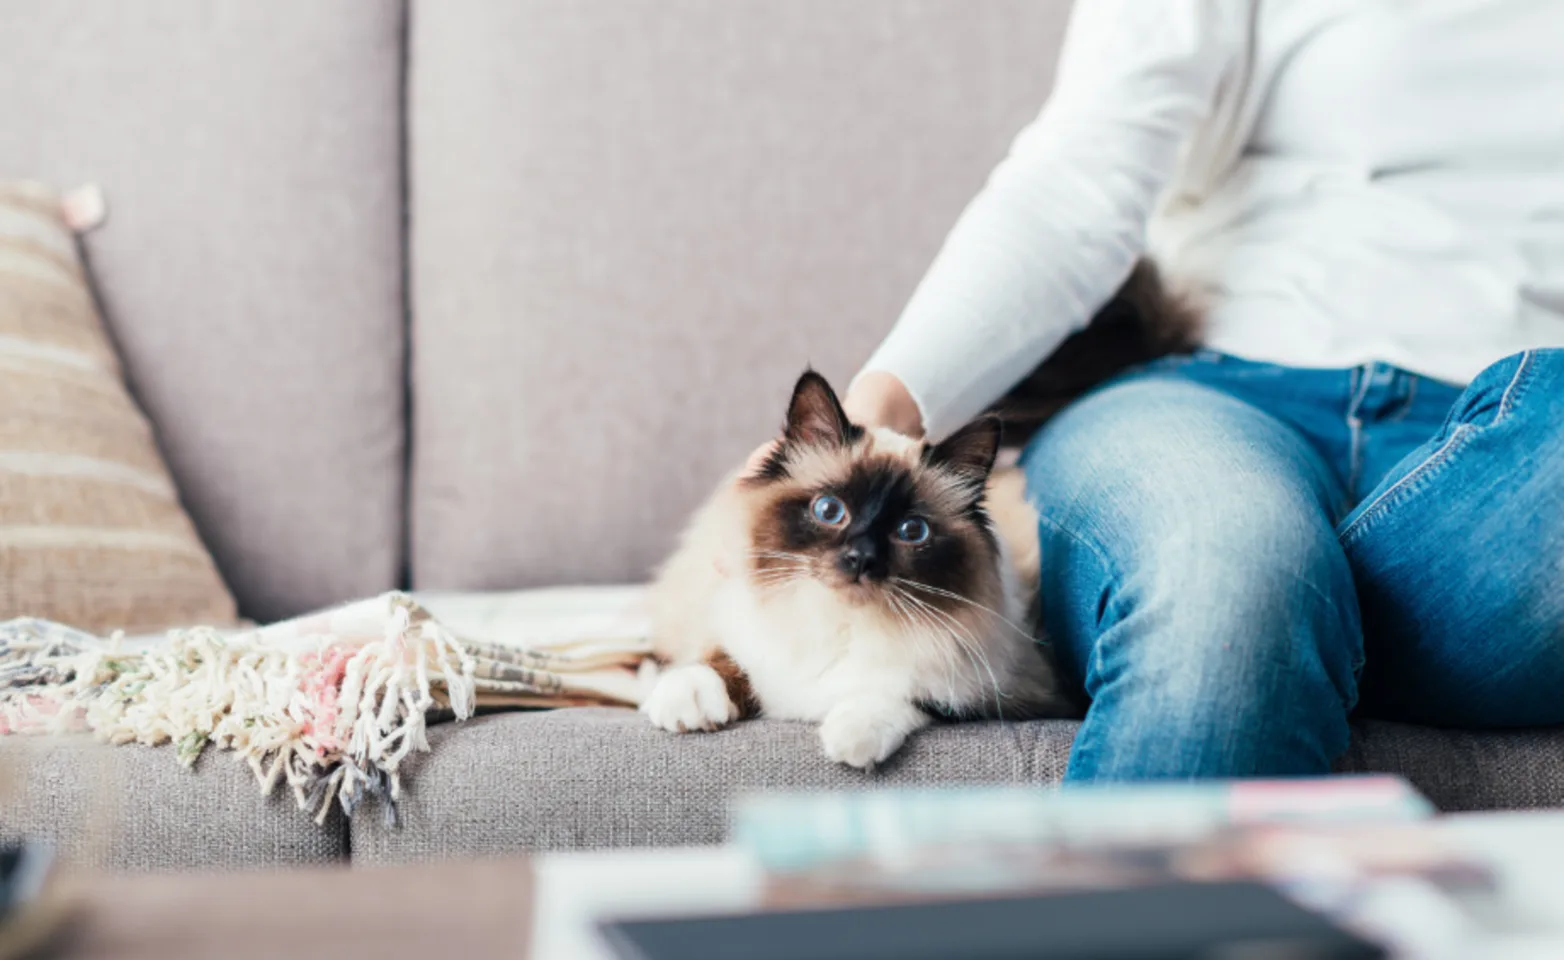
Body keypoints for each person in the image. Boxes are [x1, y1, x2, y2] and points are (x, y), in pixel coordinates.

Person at [828, 0, 1564, 780]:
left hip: (1519, 488)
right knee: (1224, 567)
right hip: (1212, 399)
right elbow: (1081, 176)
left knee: (1260, 598)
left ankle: (1291, 633)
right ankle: (1268, 626)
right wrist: (878, 418)